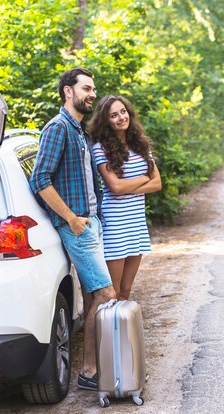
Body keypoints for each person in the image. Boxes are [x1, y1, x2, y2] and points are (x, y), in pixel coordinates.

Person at [29, 69, 148, 391]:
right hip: (78, 225)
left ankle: (98, 367)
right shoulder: (57, 129)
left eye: (93, 88)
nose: (92, 94)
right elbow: (40, 179)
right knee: (107, 293)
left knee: (93, 297)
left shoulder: (79, 131)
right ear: (68, 91)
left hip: (92, 223)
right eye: (87, 88)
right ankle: (91, 370)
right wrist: (71, 219)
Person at [87, 95, 162, 301]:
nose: (121, 117)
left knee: (127, 290)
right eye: (113, 115)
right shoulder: (100, 148)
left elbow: (157, 183)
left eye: (123, 112)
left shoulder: (141, 145)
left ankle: (122, 334)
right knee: (114, 292)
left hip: (136, 222)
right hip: (116, 224)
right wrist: (145, 177)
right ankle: (107, 334)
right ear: (106, 121)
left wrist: (131, 187)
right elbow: (116, 187)